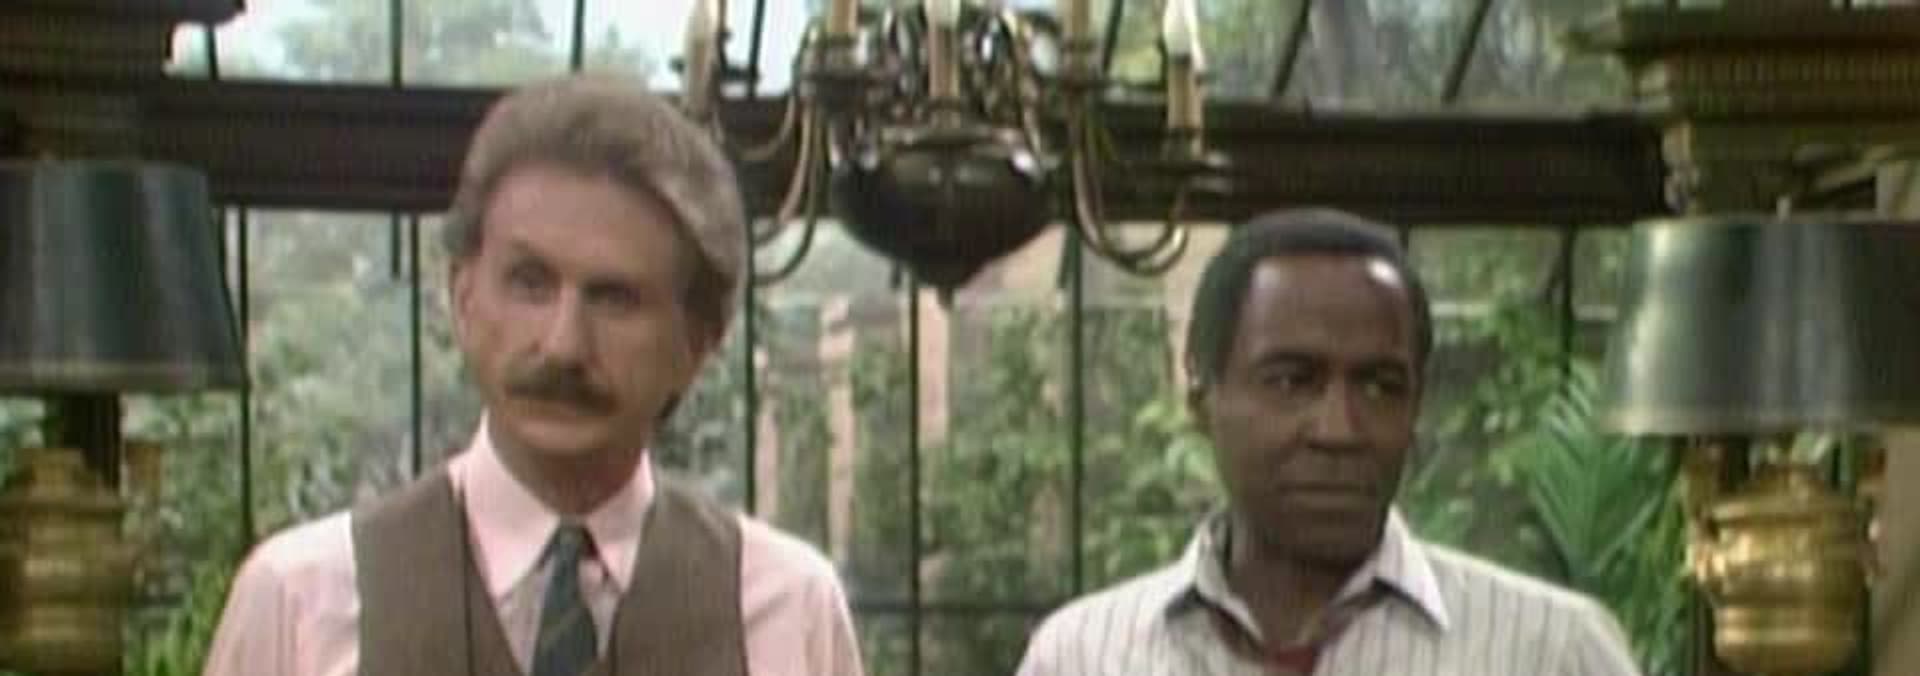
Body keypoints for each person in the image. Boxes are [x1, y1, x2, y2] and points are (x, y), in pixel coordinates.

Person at [202, 74, 864, 676]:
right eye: (529, 282)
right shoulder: (302, 599)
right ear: (463, 297)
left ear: (699, 340)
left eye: (614, 298)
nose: (564, 345)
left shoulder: (787, 606)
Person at [1015, 209, 1642, 676]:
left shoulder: (1552, 652)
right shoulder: (1083, 657)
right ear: (1203, 402)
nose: (1339, 429)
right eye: (1292, 381)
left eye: (1379, 386)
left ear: (1416, 409)